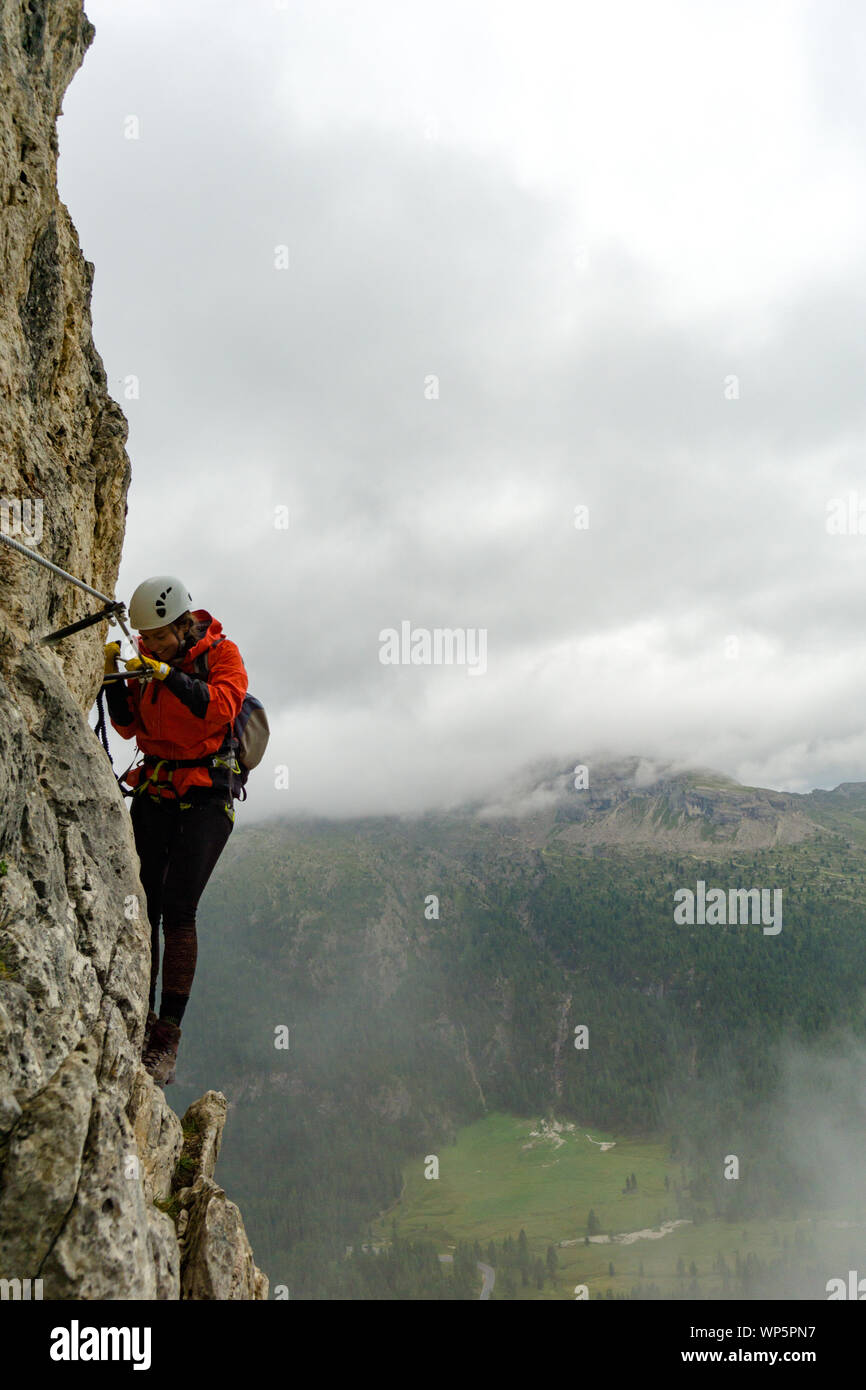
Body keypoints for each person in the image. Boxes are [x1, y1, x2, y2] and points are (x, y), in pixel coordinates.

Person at [102, 575, 248, 1085]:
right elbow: (127, 727)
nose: (150, 643)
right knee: (145, 903)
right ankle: (138, 1015)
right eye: (146, 637)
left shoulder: (223, 655)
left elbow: (219, 707)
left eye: (159, 636)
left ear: (184, 624)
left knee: (178, 908)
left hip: (209, 790)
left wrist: (165, 673)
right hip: (159, 785)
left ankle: (166, 1038)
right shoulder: (147, 657)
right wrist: (112, 674)